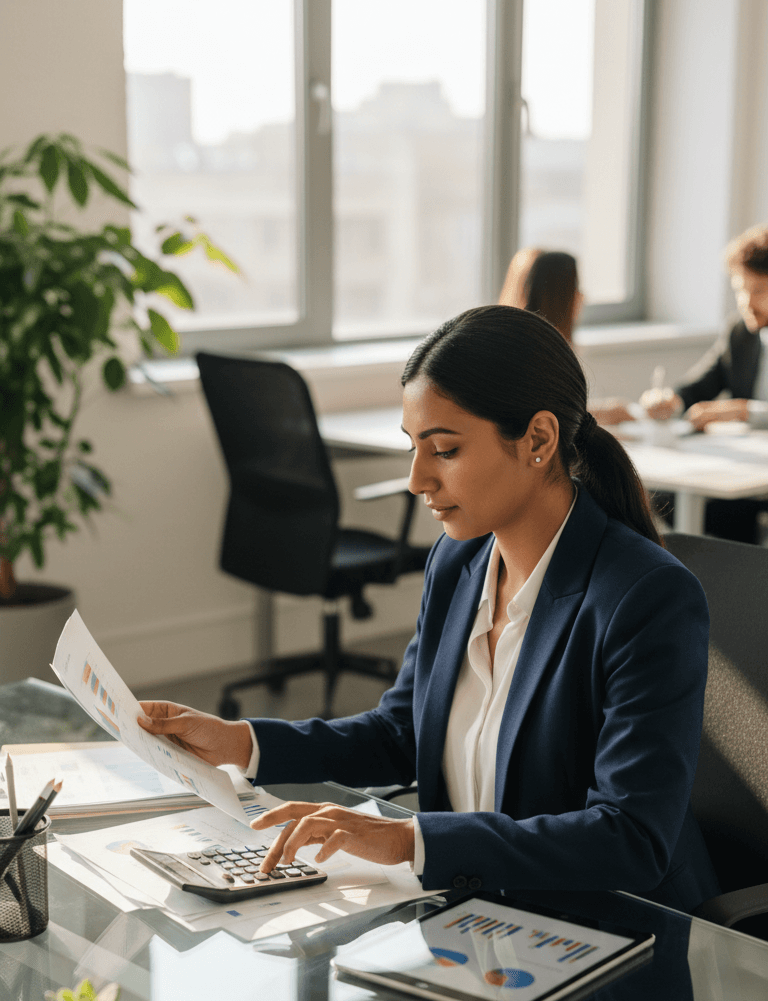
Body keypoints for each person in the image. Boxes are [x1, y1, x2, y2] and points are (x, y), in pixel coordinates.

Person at [138, 305, 719, 912]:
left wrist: (409, 839)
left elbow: (630, 838)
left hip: (616, 932)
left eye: (443, 450)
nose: (417, 479)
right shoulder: (459, 563)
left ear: (539, 440)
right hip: (479, 917)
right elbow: (402, 732)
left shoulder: (645, 598)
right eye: (414, 447)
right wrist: (243, 743)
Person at [499, 248, 678, 426]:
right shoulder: (533, 356)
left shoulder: (530, 344)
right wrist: (604, 413)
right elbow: (543, 417)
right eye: (575, 288)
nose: (582, 296)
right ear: (559, 296)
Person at [676, 223, 768, 542]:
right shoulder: (740, 333)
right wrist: (669, 402)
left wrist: (744, 411)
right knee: (666, 502)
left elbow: (739, 410)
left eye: (758, 291)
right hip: (743, 474)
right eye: (740, 290)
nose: (746, 302)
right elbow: (700, 386)